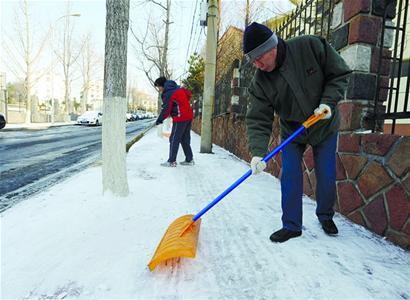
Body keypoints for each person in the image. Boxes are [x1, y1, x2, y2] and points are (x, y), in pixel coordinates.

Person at [243, 22, 351, 243]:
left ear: (271, 47)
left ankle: (325, 215)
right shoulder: (260, 82)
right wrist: (257, 153)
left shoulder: (309, 46)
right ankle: (291, 225)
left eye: (258, 58)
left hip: (323, 122)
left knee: (326, 175)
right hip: (293, 130)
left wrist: (328, 103)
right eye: (251, 60)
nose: (256, 64)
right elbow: (258, 118)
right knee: (290, 175)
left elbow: (339, 74)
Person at [154, 77, 194, 167]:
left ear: (162, 85)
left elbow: (166, 109)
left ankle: (171, 161)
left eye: (158, 87)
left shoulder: (168, 93)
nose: (159, 89)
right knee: (184, 139)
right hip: (188, 115)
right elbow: (188, 94)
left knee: (174, 139)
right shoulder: (177, 88)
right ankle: (189, 159)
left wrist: (159, 120)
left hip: (180, 117)